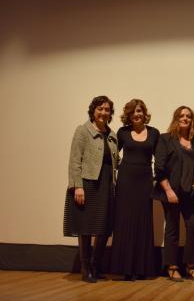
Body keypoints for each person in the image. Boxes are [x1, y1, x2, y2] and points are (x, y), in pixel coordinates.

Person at [64, 95, 118, 283]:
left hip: (106, 184)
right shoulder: (82, 131)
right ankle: (85, 268)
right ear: (93, 111)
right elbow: (74, 160)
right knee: (85, 228)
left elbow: (115, 162)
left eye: (107, 109)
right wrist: (77, 186)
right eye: (100, 108)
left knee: (103, 229)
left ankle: (96, 266)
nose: (103, 112)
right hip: (87, 184)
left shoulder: (112, 135)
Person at [110, 99, 159, 280]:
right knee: (125, 222)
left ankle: (141, 268)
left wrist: (157, 178)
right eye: (133, 112)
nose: (137, 114)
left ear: (144, 113)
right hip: (126, 181)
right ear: (129, 115)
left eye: (140, 111)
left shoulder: (154, 133)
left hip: (145, 181)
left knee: (143, 222)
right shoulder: (122, 132)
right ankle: (125, 268)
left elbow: (159, 158)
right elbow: (113, 154)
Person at [152, 106, 194, 282]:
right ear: (176, 118)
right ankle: (172, 266)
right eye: (181, 115)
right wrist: (168, 190)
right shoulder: (166, 139)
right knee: (172, 228)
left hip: (191, 193)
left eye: (189, 116)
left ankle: (191, 266)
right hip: (171, 191)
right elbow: (159, 167)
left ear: (192, 120)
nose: (185, 118)